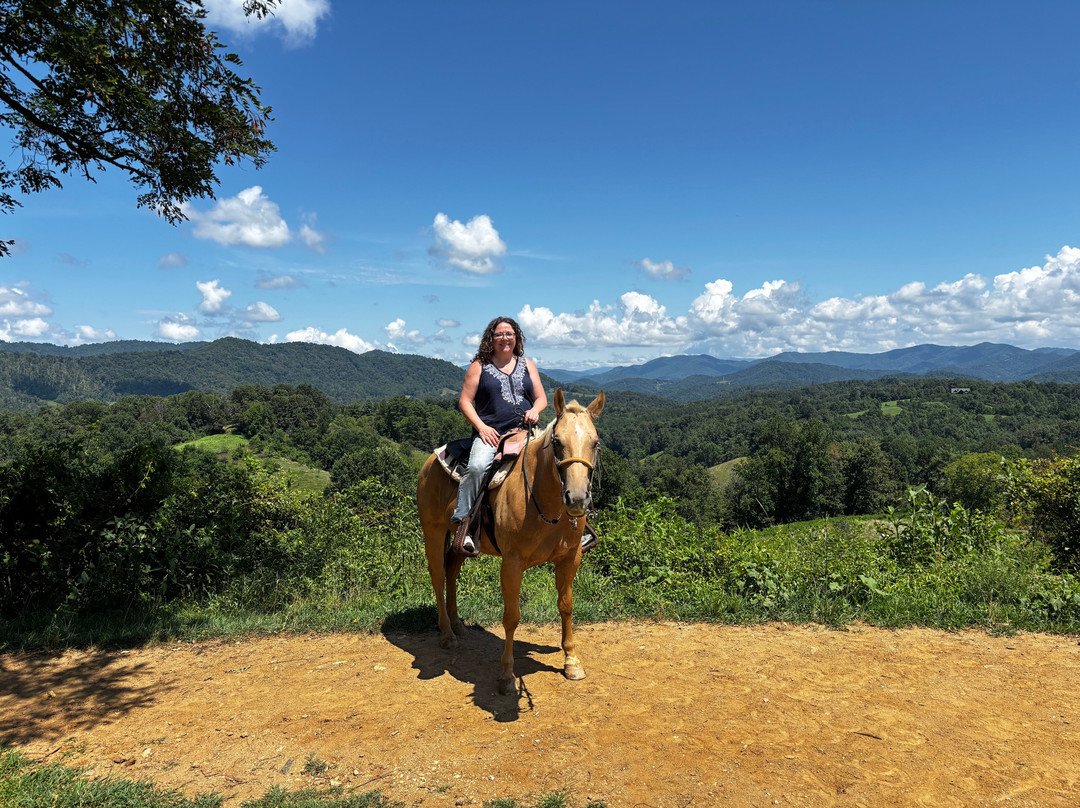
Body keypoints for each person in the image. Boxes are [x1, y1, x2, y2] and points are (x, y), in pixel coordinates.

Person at [452, 316, 546, 554]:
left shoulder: (527, 364)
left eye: (510, 334)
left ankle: (577, 525)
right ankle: (464, 524)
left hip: (525, 431)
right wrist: (482, 428)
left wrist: (535, 410)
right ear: (490, 339)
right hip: (492, 435)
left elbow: (541, 398)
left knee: (560, 457)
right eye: (500, 335)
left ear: (517, 338)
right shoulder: (479, 365)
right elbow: (465, 401)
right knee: (476, 467)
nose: (505, 338)